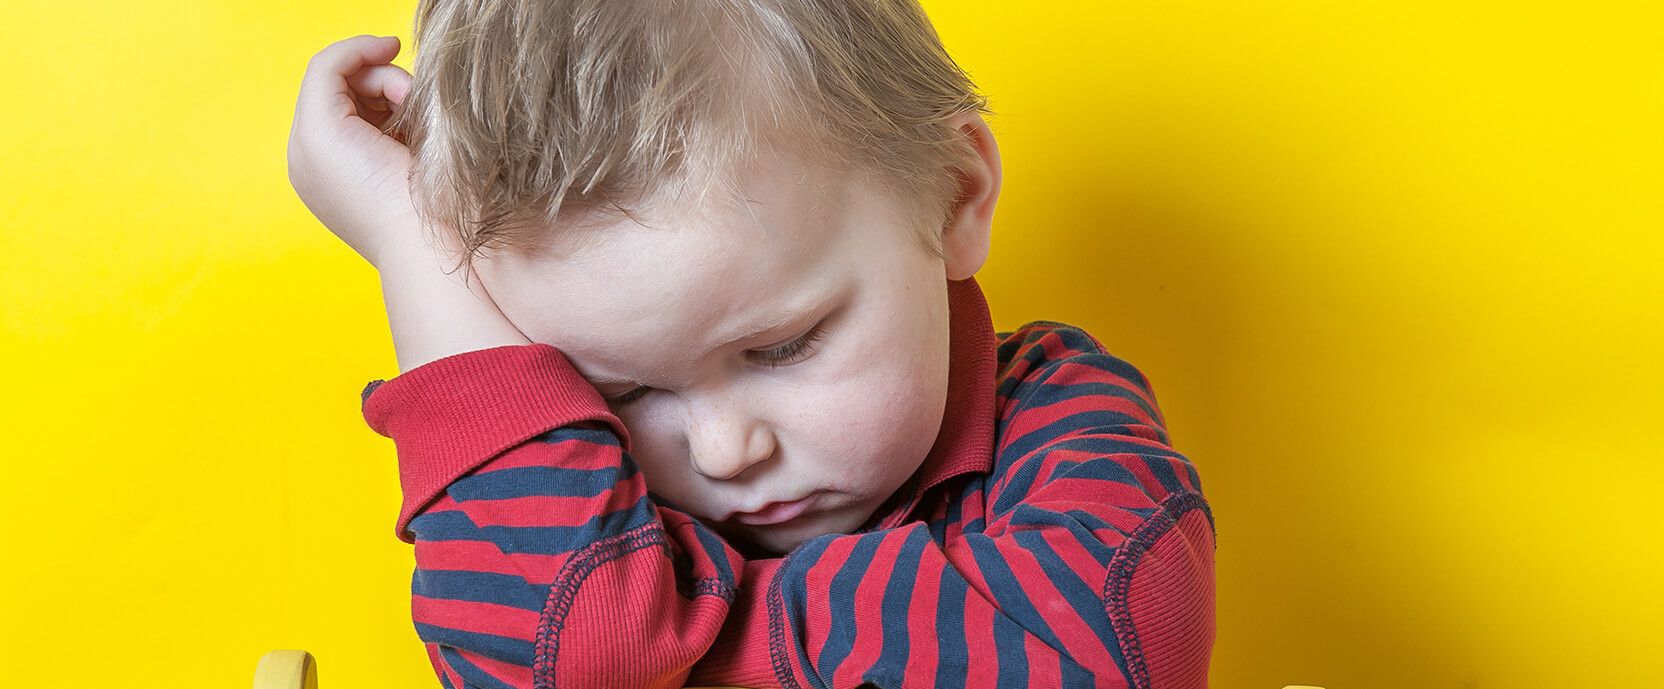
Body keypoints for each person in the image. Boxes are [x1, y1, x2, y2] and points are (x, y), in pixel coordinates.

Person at [286, 2, 1215, 687]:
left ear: (953, 193)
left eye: (783, 346)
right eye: (619, 392)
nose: (726, 452)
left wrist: (672, 636)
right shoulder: (581, 493)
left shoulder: (1056, 414)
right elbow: (557, 655)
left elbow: (1111, 646)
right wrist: (415, 245)